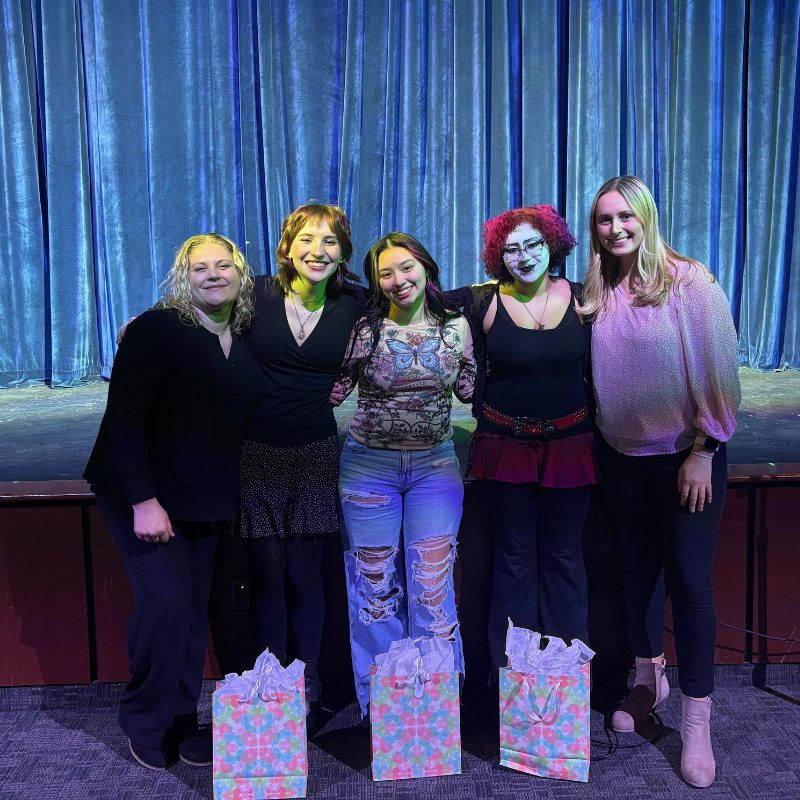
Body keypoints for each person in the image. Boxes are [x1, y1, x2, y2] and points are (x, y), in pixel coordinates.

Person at [84, 234, 264, 770]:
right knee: (165, 605)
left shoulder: (245, 334)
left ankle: (182, 717)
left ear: (241, 274)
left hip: (206, 500)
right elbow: (126, 419)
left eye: (223, 265)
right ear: (182, 279)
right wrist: (144, 500)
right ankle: (144, 718)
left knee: (190, 611)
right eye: (200, 268)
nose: (213, 274)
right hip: (144, 494)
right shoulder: (158, 329)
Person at [584, 176, 740, 788]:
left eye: (626, 217)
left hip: (684, 458)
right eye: (604, 220)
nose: (616, 228)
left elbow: (720, 370)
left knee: (690, 582)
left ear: (647, 217)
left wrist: (706, 447)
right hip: (621, 455)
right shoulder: (598, 287)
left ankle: (696, 720)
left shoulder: (687, 281)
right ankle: (648, 681)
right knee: (637, 571)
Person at [448, 206, 602, 678]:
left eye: (533, 244)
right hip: (505, 448)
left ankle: (566, 683)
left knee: (563, 559)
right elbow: (417, 291)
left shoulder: (582, 298)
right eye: (512, 249)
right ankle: (511, 689)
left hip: (570, 447)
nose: (524, 255)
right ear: (499, 257)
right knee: (513, 561)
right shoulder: (483, 302)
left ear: (552, 245)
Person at [331, 232, 475, 719]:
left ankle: (436, 711)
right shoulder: (366, 329)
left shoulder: (457, 328)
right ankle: (387, 714)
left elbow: (476, 388)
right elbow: (330, 387)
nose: (398, 280)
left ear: (427, 268)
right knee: (376, 594)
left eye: (406, 268)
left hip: (434, 468)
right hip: (369, 468)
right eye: (386, 273)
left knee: (433, 591)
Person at [234, 203, 366, 728]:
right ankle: (270, 685)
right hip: (258, 451)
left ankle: (306, 688)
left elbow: (424, 305)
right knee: (267, 575)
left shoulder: (356, 304)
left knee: (305, 576)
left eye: (330, 241)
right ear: (287, 246)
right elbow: (198, 308)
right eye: (307, 240)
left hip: (314, 453)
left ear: (343, 254)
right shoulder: (256, 294)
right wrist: (142, 324)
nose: (318, 250)